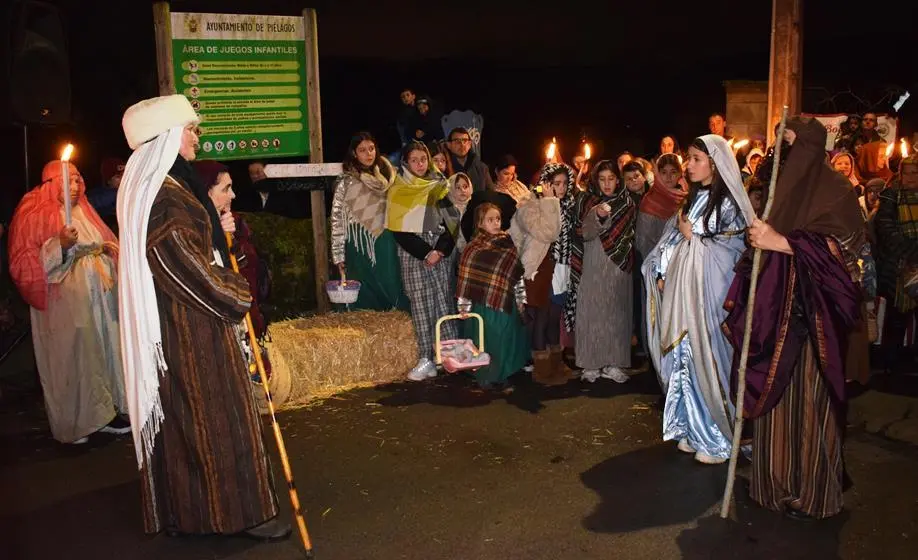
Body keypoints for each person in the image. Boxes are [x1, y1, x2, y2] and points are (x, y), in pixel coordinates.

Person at [117, 94, 287, 540]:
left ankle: (190, 513)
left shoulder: (164, 187)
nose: (197, 136)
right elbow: (183, 267)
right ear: (167, 137)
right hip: (195, 328)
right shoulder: (166, 199)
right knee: (215, 420)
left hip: (181, 322)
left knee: (187, 423)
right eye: (190, 129)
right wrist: (237, 293)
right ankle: (234, 515)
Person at [724, 116, 867, 520]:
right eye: (781, 142)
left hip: (812, 319)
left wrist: (782, 242)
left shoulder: (834, 190)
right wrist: (757, 243)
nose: (786, 150)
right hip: (773, 315)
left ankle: (815, 494)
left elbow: (848, 256)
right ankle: (774, 484)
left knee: (809, 404)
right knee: (774, 401)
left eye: (794, 142)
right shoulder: (776, 188)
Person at [643, 134, 755, 465]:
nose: (688, 165)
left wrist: (693, 236)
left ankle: (718, 436)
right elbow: (677, 239)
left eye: (695, 159)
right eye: (688, 158)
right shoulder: (693, 198)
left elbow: (730, 251)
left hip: (709, 297)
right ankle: (694, 428)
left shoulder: (729, 203)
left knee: (709, 359)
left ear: (715, 163)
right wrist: (663, 269)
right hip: (685, 294)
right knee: (685, 359)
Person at [7, 160, 128, 445]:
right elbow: (23, 261)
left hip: (98, 295)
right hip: (65, 301)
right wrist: (58, 245)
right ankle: (77, 424)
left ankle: (104, 415)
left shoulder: (84, 210)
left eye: (77, 181)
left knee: (102, 353)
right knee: (73, 359)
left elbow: (105, 241)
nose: (74, 187)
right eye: (68, 181)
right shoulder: (33, 212)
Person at [387, 141, 458, 380]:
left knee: (443, 302)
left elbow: (452, 222)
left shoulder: (438, 185)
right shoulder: (398, 189)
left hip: (440, 254)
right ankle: (426, 358)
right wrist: (426, 252)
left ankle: (449, 354)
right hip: (414, 256)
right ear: (405, 162)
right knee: (421, 306)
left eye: (423, 159)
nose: (420, 164)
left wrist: (440, 250)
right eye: (414, 159)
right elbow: (399, 230)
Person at [569, 160, 636, 383]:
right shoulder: (585, 200)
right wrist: (596, 215)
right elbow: (582, 232)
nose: (607, 184)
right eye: (602, 179)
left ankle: (613, 363)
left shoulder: (626, 203)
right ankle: (590, 364)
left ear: (618, 180)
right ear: (596, 180)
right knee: (591, 311)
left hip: (618, 264)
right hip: (593, 260)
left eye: (611, 179)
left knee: (616, 314)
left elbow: (628, 235)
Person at [330, 132, 409, 311]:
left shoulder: (391, 177)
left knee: (391, 283)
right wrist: (338, 255)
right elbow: (336, 220)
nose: (368, 154)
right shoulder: (346, 182)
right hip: (359, 246)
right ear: (354, 154)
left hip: (387, 242)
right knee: (364, 293)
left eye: (371, 149)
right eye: (362, 150)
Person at [457, 203, 529, 392]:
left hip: (506, 302)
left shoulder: (507, 243)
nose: (496, 223)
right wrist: (463, 307)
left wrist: (521, 298)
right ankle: (485, 375)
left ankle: (502, 375)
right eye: (490, 219)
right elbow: (466, 281)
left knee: (505, 338)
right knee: (485, 339)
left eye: (497, 219)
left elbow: (516, 274)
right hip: (483, 306)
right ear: (480, 223)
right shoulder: (473, 248)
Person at [447, 127, 494, 192]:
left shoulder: (481, 168)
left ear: (469, 144)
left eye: (465, 140)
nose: (462, 144)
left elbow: (491, 193)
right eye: (457, 141)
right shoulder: (445, 168)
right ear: (449, 145)